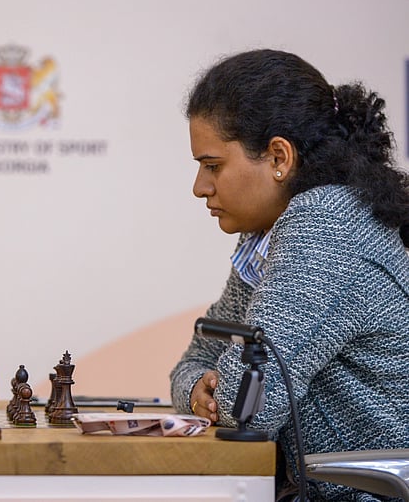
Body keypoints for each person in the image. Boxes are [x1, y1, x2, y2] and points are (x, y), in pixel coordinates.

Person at [170, 49, 409, 501]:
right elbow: (192, 364)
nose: (200, 187)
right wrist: (196, 391)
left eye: (213, 165)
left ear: (279, 156)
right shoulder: (265, 235)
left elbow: (247, 409)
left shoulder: (327, 227)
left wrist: (214, 392)